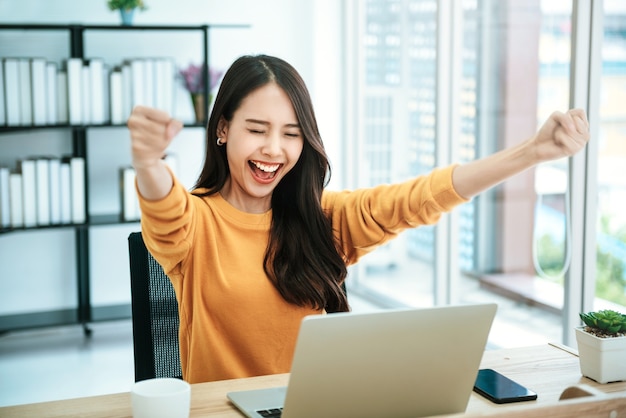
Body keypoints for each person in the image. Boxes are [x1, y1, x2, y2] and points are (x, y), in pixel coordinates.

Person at [127, 54, 590, 384]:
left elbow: (420, 198)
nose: (274, 149)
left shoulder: (322, 220)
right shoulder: (196, 225)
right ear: (223, 129)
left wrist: (532, 152)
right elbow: (165, 211)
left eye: (291, 134)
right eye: (257, 129)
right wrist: (149, 162)